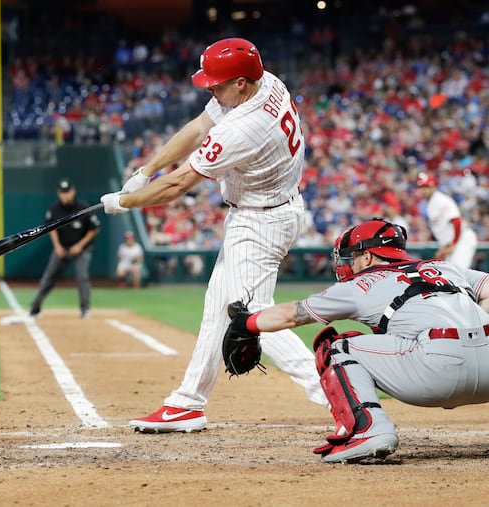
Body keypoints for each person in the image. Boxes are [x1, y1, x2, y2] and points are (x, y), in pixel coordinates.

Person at [101, 37, 328, 433]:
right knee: (218, 308)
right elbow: (199, 126)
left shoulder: (245, 126)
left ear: (241, 82)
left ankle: (335, 392)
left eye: (217, 83)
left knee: (252, 318)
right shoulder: (265, 82)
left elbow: (179, 186)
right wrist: (146, 169)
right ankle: (189, 401)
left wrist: (125, 202)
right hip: (263, 211)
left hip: (262, 221)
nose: (209, 87)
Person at [225, 218, 489, 463]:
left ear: (367, 255)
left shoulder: (360, 284)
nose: (347, 263)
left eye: (352, 256)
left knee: (337, 347)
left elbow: (293, 315)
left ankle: (368, 430)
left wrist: (247, 323)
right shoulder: (444, 267)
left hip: (434, 373)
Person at [30, 178, 101, 319]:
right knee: (49, 276)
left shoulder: (83, 207)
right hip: (62, 247)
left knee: (82, 276)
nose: (65, 195)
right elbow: (52, 229)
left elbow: (94, 229)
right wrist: (57, 247)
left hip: (82, 248)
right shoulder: (54, 209)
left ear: (73, 191)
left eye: (67, 191)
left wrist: (79, 246)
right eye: (62, 192)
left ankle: (85, 309)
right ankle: (35, 308)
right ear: (58, 193)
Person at [415, 171, 478, 269]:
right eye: (421, 187)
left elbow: (456, 221)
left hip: (461, 240)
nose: (423, 190)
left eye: (426, 187)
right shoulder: (430, 204)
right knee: (448, 274)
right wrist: (445, 248)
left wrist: (453, 244)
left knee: (458, 272)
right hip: (451, 242)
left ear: (433, 187)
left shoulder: (441, 200)